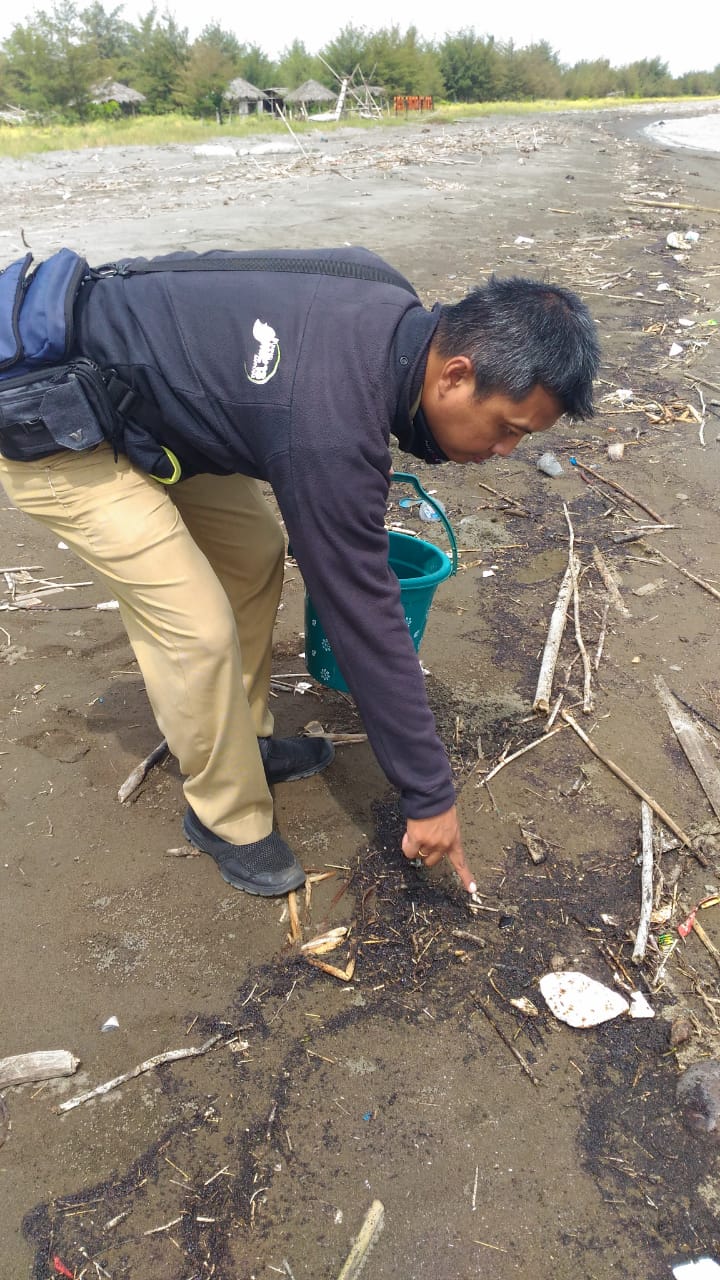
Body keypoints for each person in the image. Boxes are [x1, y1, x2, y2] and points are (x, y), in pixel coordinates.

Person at [0, 246, 599, 898]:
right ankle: (224, 816)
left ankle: (242, 743)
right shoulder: (330, 418)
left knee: (252, 551)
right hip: (57, 421)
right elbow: (362, 613)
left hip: (152, 404)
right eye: (506, 429)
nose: (504, 451)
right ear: (455, 374)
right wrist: (428, 794)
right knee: (195, 628)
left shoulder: (386, 300)